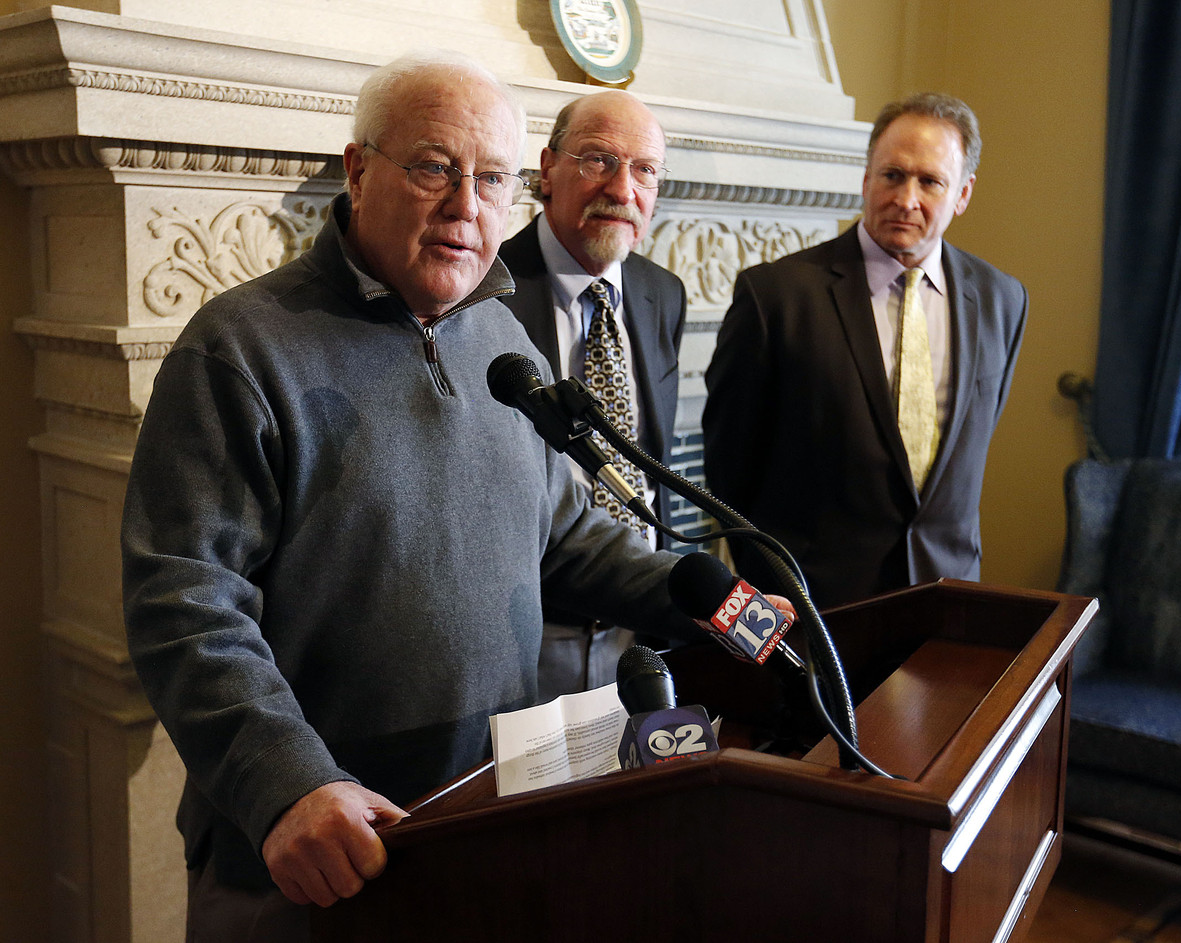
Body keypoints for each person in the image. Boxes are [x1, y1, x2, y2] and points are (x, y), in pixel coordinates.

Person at [120, 50, 705, 939]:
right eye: (435, 167)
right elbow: (185, 602)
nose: (467, 206)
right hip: (314, 854)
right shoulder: (240, 349)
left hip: (480, 820)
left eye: (493, 178)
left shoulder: (502, 338)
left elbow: (563, 537)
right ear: (358, 171)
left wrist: (713, 598)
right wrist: (287, 783)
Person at [702, 92, 1028, 611]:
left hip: (948, 603)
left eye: (930, 181)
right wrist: (774, 593)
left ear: (962, 193)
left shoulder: (1002, 299)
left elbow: (963, 458)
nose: (906, 199)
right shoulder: (777, 297)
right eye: (892, 175)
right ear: (865, 179)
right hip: (817, 612)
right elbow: (728, 473)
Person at [499, 90, 686, 701]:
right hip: (528, 629)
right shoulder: (482, 289)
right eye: (599, 160)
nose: (623, 189)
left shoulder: (663, 294)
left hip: (642, 632)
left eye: (645, 170)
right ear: (548, 168)